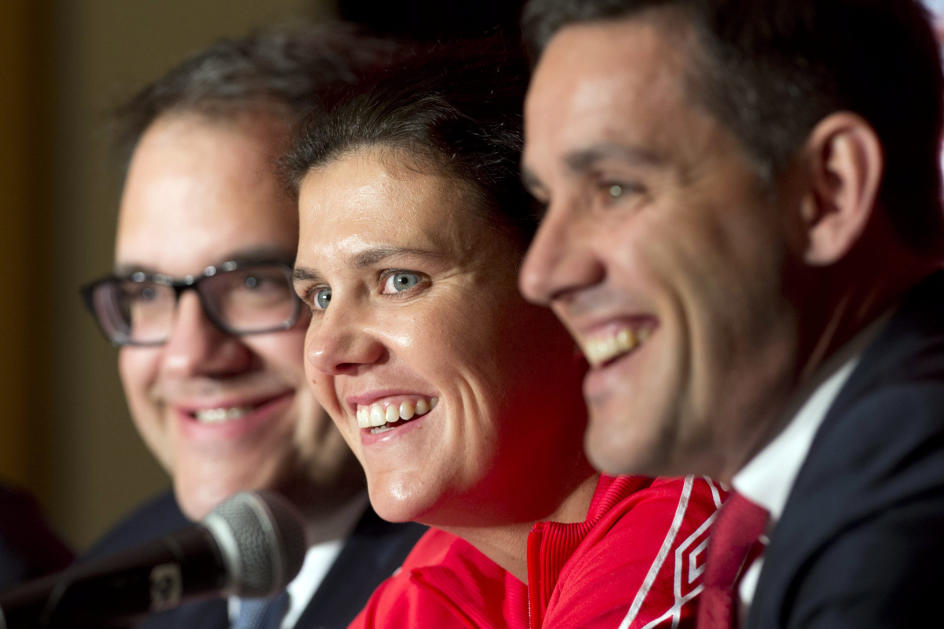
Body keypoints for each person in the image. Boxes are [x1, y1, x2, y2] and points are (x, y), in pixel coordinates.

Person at [518, 1, 944, 627]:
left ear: (827, 192)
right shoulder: (842, 483)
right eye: (545, 202)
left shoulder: (902, 531)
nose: (542, 274)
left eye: (614, 188)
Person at [284, 39, 723, 629]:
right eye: (319, 297)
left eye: (399, 280)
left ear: (569, 290)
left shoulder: (693, 531)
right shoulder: (444, 579)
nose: (327, 351)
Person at [80, 24, 425, 628]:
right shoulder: (118, 583)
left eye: (254, 284)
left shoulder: (482, 573)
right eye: (146, 293)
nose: (189, 357)